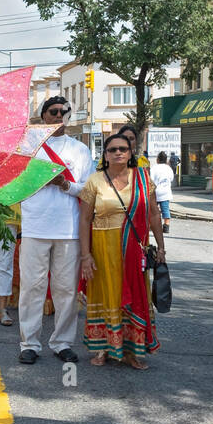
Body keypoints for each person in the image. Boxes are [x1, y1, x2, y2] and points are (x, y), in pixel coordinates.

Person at [17, 95, 93, 365]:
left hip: (68, 229)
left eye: (64, 111)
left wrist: (64, 184)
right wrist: (38, 181)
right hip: (35, 226)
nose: (59, 116)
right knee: (31, 289)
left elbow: (88, 189)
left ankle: (62, 342)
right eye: (53, 111)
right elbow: (15, 184)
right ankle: (29, 343)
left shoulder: (80, 150)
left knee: (66, 290)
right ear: (43, 115)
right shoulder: (28, 147)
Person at [79, 132, 164, 368]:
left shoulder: (143, 179)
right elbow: (84, 220)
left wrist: (161, 248)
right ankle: (103, 348)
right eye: (112, 149)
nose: (118, 153)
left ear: (130, 153)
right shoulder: (95, 181)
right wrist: (85, 256)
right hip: (103, 247)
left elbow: (154, 214)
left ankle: (131, 351)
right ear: (105, 155)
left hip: (133, 250)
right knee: (106, 293)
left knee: (135, 295)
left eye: (123, 149)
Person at [150, 150, 175, 234]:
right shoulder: (169, 168)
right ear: (165, 159)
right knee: (165, 209)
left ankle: (152, 225)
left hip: (155, 193)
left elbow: (151, 180)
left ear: (157, 159)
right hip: (166, 192)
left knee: (153, 210)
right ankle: (166, 226)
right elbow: (171, 179)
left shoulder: (154, 168)